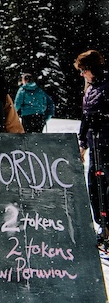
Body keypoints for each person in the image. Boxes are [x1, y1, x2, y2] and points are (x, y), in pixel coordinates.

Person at [74, 50, 109, 244]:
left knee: (106, 186)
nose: (81, 75)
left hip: (106, 143)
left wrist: (102, 119)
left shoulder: (106, 86)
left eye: (83, 70)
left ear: (91, 69)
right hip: (95, 144)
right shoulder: (91, 89)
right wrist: (82, 143)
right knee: (95, 186)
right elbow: (86, 117)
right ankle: (103, 226)